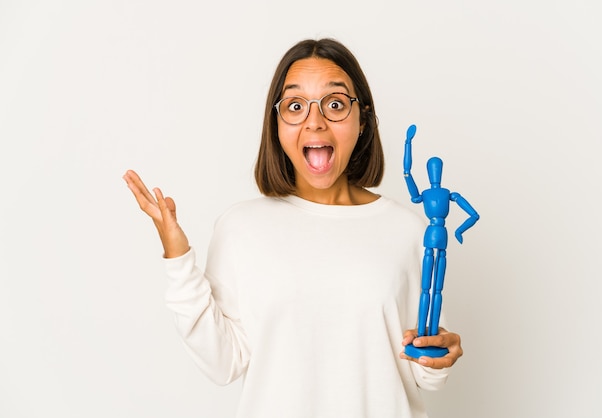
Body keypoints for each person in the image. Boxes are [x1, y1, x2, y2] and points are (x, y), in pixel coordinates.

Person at [123, 38, 463, 418]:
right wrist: (178, 258)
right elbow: (222, 363)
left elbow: (426, 372)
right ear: (276, 123)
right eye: (295, 106)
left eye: (335, 104)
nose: (314, 121)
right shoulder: (241, 227)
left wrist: (438, 356)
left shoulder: (407, 229)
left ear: (363, 118)